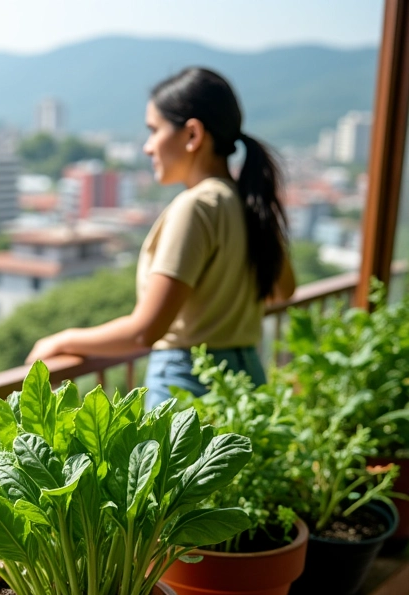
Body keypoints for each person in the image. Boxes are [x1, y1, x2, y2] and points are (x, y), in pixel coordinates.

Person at [26, 67, 296, 407]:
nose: (147, 147)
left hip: (191, 391)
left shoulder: (196, 208)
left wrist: (64, 339)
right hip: (246, 383)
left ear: (192, 135)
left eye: (153, 130)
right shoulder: (248, 202)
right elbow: (283, 289)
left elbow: (146, 331)